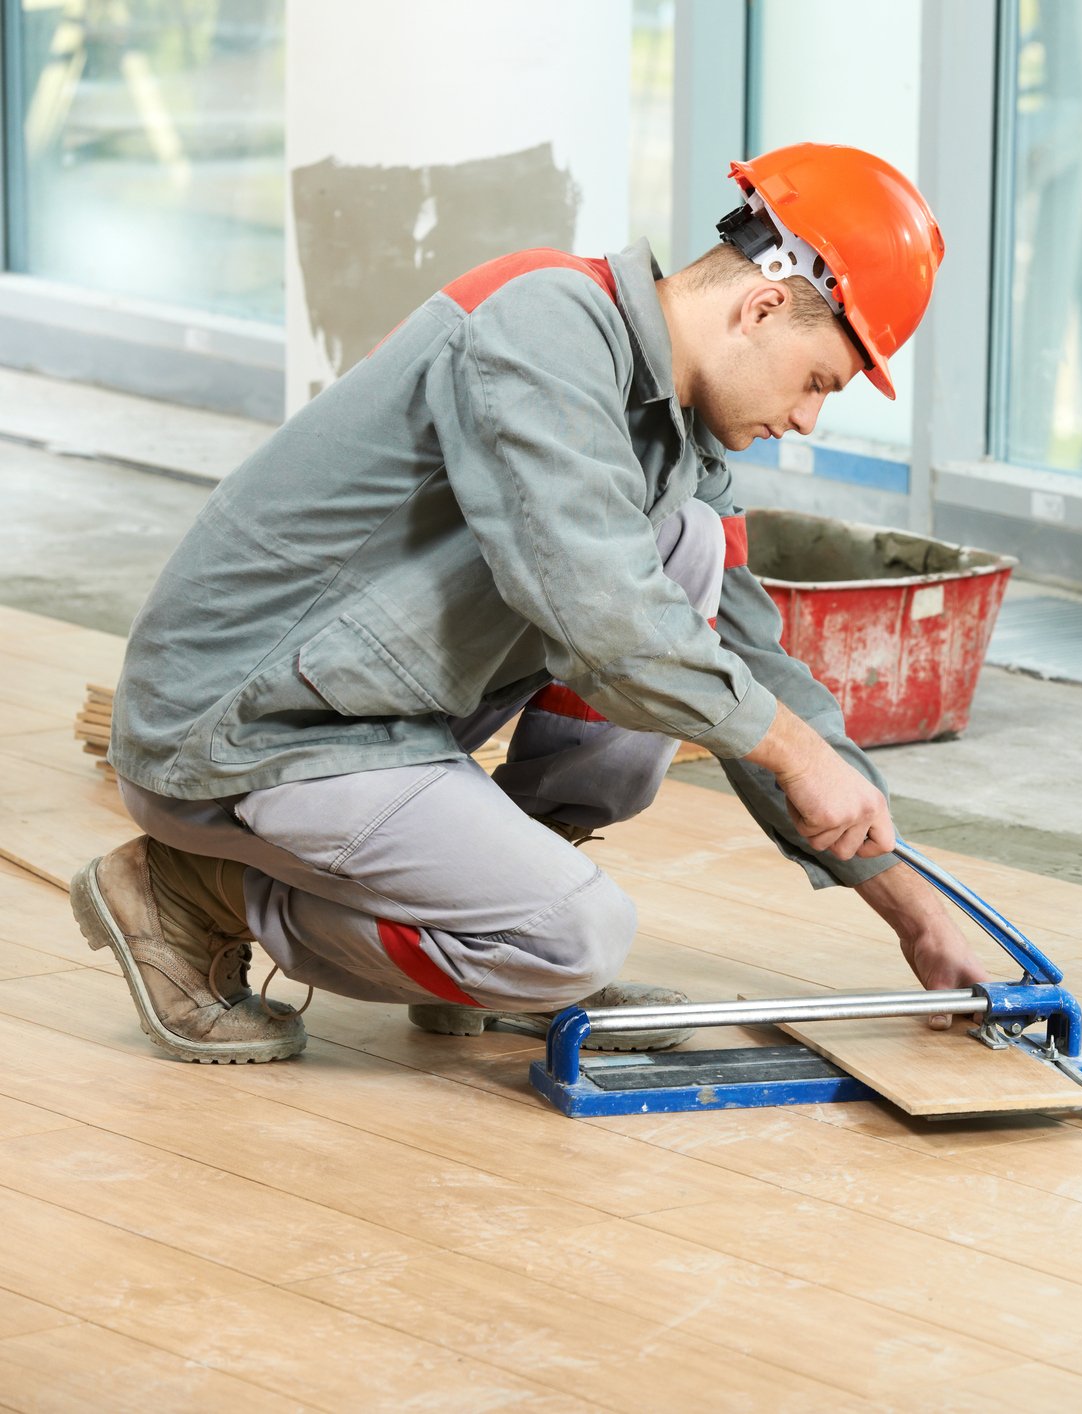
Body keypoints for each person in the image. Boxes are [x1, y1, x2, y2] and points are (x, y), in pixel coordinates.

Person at [71, 142, 990, 1064]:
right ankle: (192, 893)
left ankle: (487, 911)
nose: (805, 421)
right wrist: (789, 749)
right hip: (249, 730)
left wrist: (912, 911)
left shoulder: (678, 441)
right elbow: (604, 612)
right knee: (572, 940)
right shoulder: (540, 325)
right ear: (758, 308)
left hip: (366, 710)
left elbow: (751, 661)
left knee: (690, 548)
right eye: (819, 382)